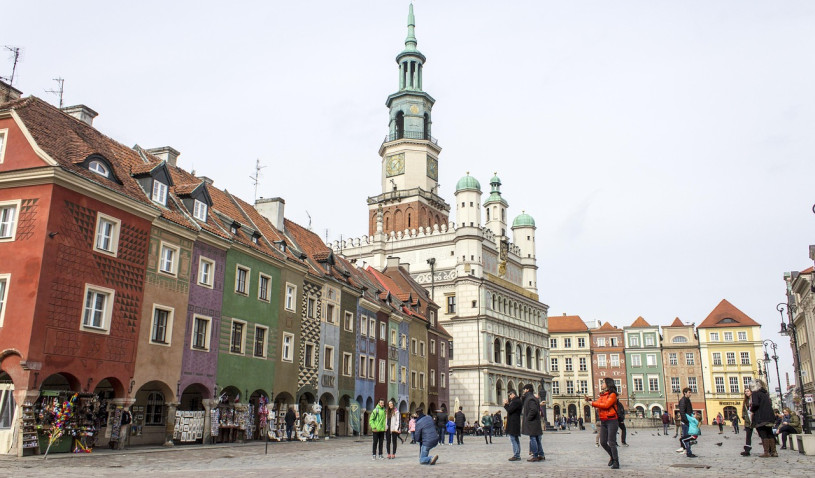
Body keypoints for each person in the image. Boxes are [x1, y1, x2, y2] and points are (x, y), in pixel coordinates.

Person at [586, 377, 620, 469]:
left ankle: (616, 461)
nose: (601, 384)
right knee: (603, 442)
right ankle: (612, 456)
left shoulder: (612, 395)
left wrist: (592, 403)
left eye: (603, 383)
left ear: (608, 384)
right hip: (603, 421)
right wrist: (590, 400)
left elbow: (606, 405)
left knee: (611, 442)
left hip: (612, 420)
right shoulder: (602, 395)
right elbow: (598, 403)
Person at [750, 379, 777, 458]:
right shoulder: (765, 393)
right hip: (769, 416)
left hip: (760, 417)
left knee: (763, 434)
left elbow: (755, 404)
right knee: (770, 433)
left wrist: (751, 410)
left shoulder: (755, 393)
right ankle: (774, 452)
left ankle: (766, 452)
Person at [521, 384, 544, 462]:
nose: (523, 391)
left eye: (524, 389)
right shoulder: (532, 398)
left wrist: (528, 419)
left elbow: (533, 410)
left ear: (527, 390)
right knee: (537, 438)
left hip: (532, 422)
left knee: (533, 438)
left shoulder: (530, 399)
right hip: (535, 422)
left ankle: (535, 455)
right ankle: (541, 455)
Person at [503, 390, 522, 461]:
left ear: (513, 394)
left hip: (513, 423)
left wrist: (506, 404)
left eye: (510, 395)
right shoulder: (517, 401)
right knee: (516, 439)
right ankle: (517, 454)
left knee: (513, 439)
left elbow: (510, 410)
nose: (509, 397)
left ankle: (516, 455)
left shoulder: (515, 401)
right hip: (515, 422)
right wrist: (508, 404)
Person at [675, 388, 693, 453]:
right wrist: (686, 421)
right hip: (686, 422)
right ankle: (686, 450)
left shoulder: (687, 400)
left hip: (688, 421)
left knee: (687, 436)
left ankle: (687, 450)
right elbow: (682, 412)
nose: (690, 394)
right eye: (689, 392)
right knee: (686, 437)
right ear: (685, 393)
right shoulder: (683, 401)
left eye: (690, 392)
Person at [740, 388, 754, 456]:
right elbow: (743, 409)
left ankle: (768, 449)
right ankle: (747, 450)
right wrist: (744, 416)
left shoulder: (754, 399)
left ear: (751, 391)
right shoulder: (745, 401)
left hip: (755, 418)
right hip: (748, 419)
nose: (746, 392)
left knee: (761, 433)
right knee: (748, 435)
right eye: (745, 391)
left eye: (748, 391)